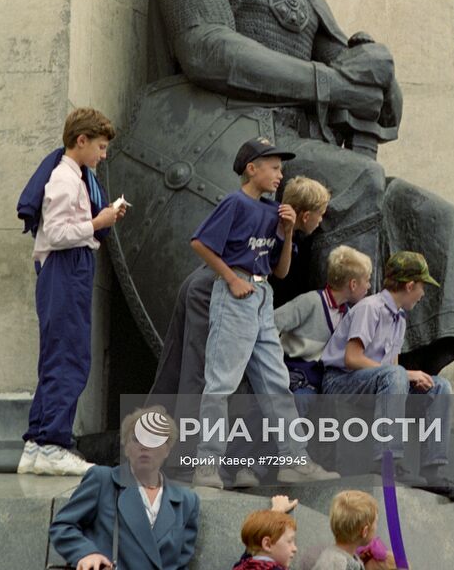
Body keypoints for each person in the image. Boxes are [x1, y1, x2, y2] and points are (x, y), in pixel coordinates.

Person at [112, 0, 454, 378]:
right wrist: (328, 83)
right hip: (237, 142)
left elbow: (347, 65)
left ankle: (402, 377)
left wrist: (373, 65)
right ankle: (341, 370)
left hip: (308, 148)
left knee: (438, 216)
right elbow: (205, 47)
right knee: (358, 181)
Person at [190, 138, 339, 488]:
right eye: (273, 167)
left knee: (276, 382)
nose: (279, 174)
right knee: (222, 382)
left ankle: (293, 460)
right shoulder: (235, 202)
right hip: (236, 291)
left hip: (262, 294)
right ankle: (206, 464)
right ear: (251, 168)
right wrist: (229, 278)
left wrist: (287, 233)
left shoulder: (274, 211)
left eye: (281, 168)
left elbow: (281, 271)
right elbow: (200, 242)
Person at [148, 175, 334, 399]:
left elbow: (280, 271)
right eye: (321, 214)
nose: (321, 220)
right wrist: (233, 280)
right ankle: (185, 431)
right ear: (306, 215)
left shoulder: (283, 227)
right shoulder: (260, 212)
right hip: (212, 288)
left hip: (213, 285)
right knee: (198, 369)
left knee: (183, 366)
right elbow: (205, 243)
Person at [17, 108, 127, 477]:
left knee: (57, 357)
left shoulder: (71, 176)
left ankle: (38, 444)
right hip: (66, 269)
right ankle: (53, 443)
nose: (103, 154)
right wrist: (99, 222)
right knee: (70, 357)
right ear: (81, 141)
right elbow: (57, 234)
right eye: (100, 146)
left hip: (65, 271)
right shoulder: (65, 180)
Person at [321, 251, 454, 500]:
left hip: (377, 381)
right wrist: (404, 373)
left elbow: (390, 365)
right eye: (422, 287)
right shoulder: (370, 308)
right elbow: (352, 358)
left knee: (440, 386)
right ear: (410, 285)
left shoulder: (400, 319)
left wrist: (405, 375)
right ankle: (387, 462)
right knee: (397, 374)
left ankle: (432, 470)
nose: (423, 295)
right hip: (341, 381)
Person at [49, 406, 199, 570]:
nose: (144, 446)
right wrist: (86, 553)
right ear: (126, 448)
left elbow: (181, 563)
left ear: (167, 450)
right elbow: (63, 526)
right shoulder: (103, 480)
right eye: (137, 439)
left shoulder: (186, 501)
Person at [275, 242, 373, 394]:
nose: (369, 286)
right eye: (367, 280)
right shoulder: (311, 301)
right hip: (292, 373)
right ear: (353, 284)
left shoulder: (348, 314)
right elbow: (271, 323)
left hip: (318, 379)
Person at [310, 490, 378, 570]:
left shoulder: (342, 558)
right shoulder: (336, 564)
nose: (376, 527)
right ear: (365, 531)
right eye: (376, 523)